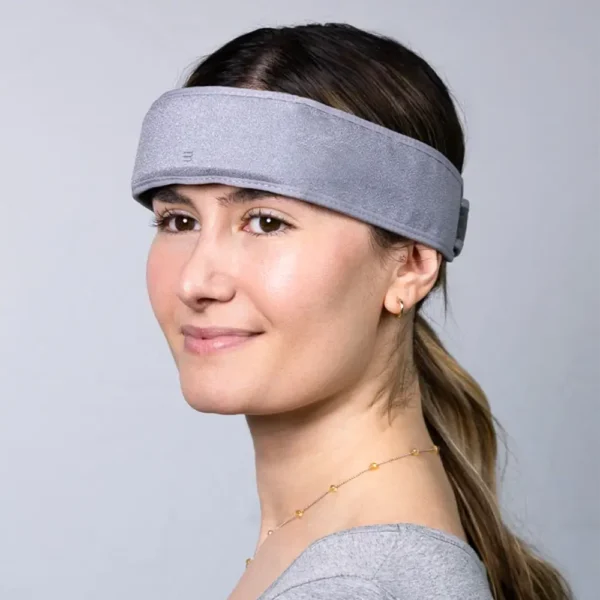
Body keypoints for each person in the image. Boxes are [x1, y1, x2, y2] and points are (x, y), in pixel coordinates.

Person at [130, 22, 573, 600]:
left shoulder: (359, 584)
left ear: (410, 265)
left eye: (266, 222)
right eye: (178, 220)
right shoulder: (337, 549)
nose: (195, 281)